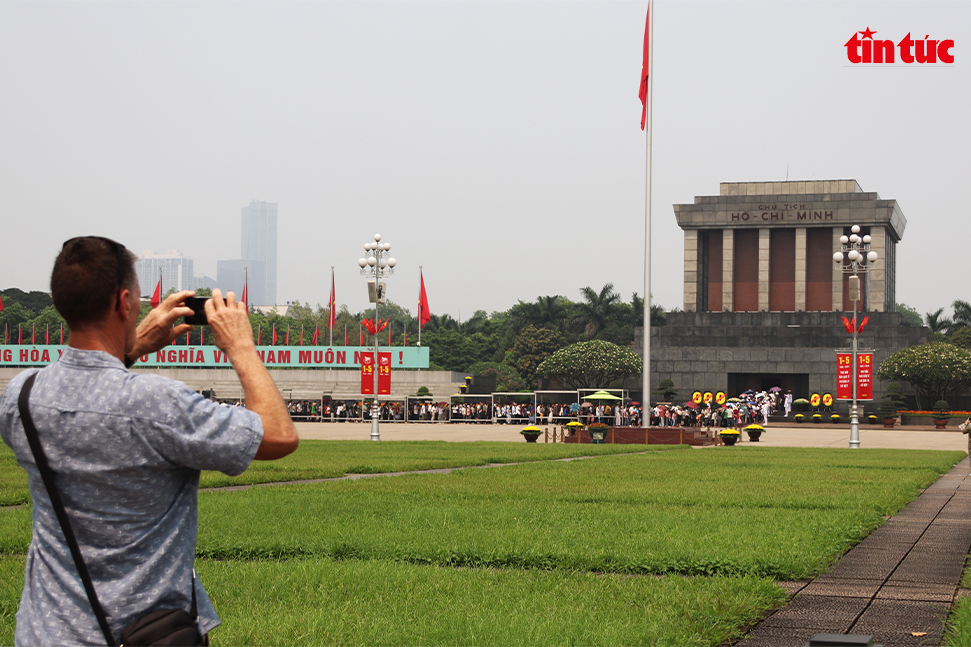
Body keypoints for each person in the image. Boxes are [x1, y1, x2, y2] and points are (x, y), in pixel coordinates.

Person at [0, 236, 299, 646]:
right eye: (139, 298)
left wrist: (133, 345)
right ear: (123, 302)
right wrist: (241, 346)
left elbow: (89, 395)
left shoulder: (22, 395)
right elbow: (279, 435)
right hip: (140, 633)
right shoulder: (158, 403)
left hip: (43, 632)